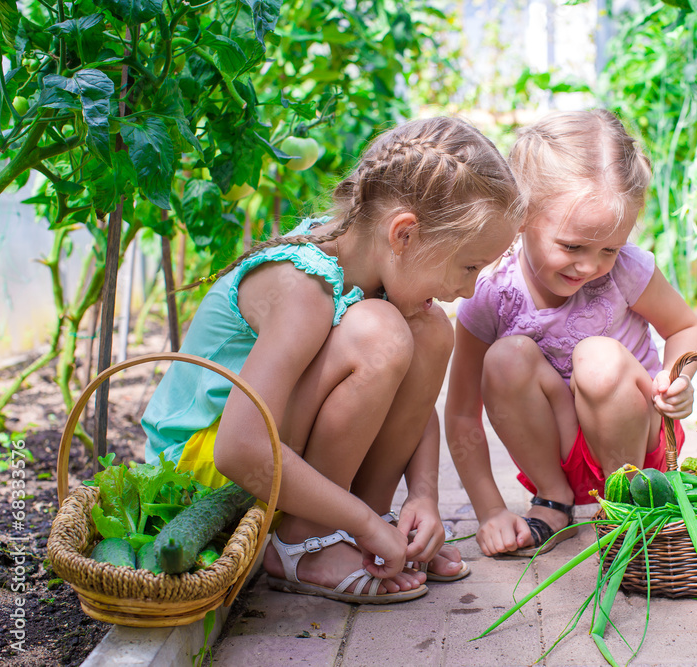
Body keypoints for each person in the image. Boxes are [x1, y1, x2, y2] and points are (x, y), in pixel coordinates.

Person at [141, 117, 522, 602]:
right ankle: (307, 539)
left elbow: (415, 405)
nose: (468, 289)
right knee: (381, 331)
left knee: (427, 332)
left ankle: (362, 530)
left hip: (277, 463)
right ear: (403, 235)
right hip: (204, 474)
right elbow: (238, 450)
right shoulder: (302, 289)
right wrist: (360, 521)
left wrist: (424, 496)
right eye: (468, 266)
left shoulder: (377, 274)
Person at [445, 109, 697, 558]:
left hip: (638, 443)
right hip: (559, 452)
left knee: (599, 358)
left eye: (609, 248)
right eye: (571, 246)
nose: (590, 266)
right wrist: (489, 511)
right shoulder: (491, 292)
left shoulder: (626, 273)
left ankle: (627, 505)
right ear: (521, 215)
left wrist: (678, 376)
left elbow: (683, 326)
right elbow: (463, 414)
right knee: (506, 358)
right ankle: (553, 501)